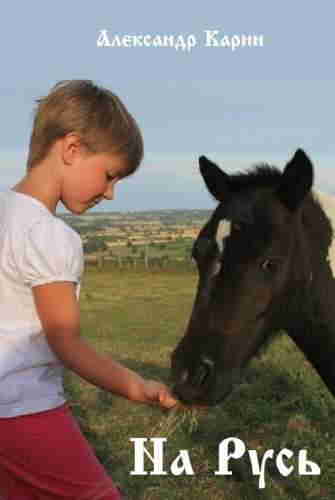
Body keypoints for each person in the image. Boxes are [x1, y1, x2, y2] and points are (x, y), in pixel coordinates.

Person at [0, 80, 178, 500]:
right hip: (26, 412)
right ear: (73, 149)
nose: (111, 193)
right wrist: (136, 386)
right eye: (110, 175)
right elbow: (65, 342)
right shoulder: (48, 235)